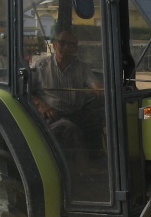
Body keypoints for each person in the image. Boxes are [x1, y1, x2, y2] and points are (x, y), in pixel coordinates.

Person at [31, 30, 104, 161]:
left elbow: (94, 83)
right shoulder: (41, 66)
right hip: (52, 114)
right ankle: (79, 167)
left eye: (70, 44)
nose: (65, 47)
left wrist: (99, 89)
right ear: (54, 45)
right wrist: (42, 105)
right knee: (67, 128)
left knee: (97, 121)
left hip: (77, 111)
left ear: (75, 49)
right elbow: (27, 92)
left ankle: (96, 162)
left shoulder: (81, 67)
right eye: (62, 43)